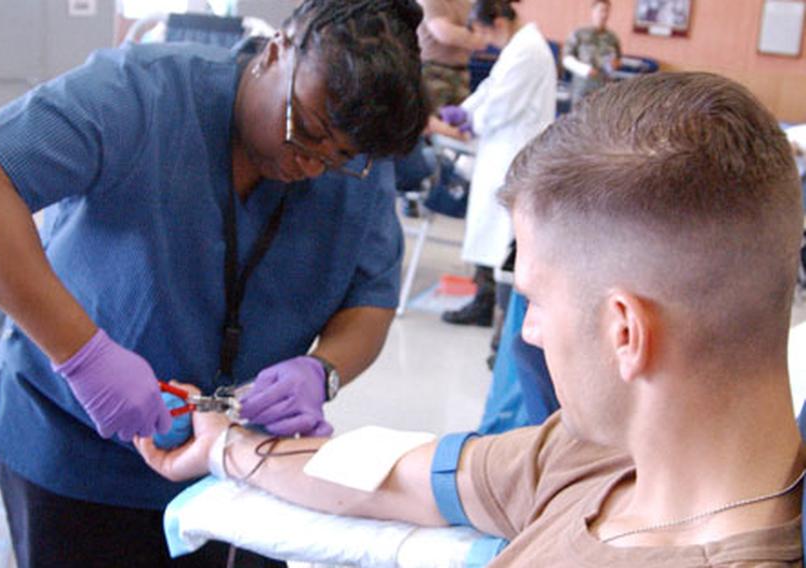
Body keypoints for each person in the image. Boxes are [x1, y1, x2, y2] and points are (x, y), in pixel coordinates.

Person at [137, 72, 806, 565]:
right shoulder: (596, 457)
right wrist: (227, 445)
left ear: (625, 333)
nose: (529, 333)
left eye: (536, 303)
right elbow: (396, 475)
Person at [0, 1, 429, 566]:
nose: (311, 165)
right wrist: (84, 356)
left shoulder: (357, 152)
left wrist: (324, 369)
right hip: (72, 451)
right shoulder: (139, 92)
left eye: (338, 158)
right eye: (305, 131)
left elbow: (371, 298)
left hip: (231, 464)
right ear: (277, 51)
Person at [431, 0, 556, 328]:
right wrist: (466, 111)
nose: (484, 40)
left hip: (513, 153)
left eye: (484, 32)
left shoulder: (529, 50)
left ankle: (494, 312)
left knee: (502, 239)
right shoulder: (517, 48)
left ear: (499, 23)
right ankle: (485, 301)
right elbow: (490, 89)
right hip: (499, 152)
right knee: (491, 234)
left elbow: (501, 107)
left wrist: (470, 123)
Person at [417, 0, 488, 108]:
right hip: (434, 71)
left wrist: (479, 38)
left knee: (461, 118)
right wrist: (477, 38)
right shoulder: (430, 2)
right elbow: (444, 33)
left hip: (462, 72)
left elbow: (482, 33)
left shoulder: (465, 4)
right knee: (436, 117)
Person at [562, 0, 621, 104]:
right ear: (593, 11)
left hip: (604, 87)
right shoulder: (579, 33)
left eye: (607, 11)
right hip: (582, 86)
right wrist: (586, 69)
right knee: (578, 118)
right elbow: (566, 59)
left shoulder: (612, 38)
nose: (604, 14)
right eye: (601, 10)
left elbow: (618, 59)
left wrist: (615, 64)